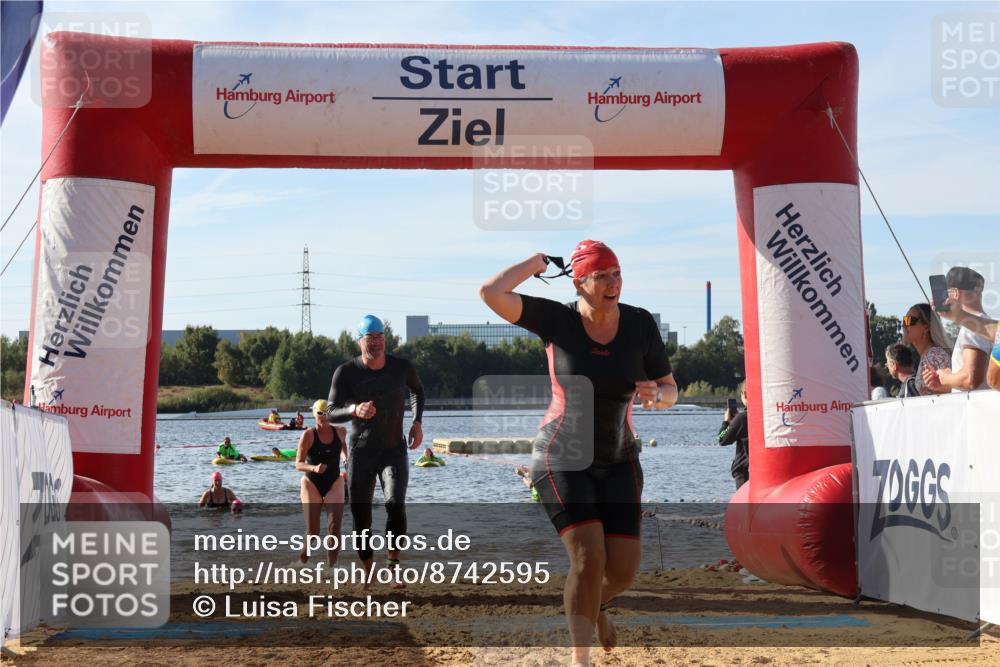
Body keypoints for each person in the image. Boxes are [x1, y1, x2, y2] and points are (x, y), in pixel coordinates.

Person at [480, 241, 677, 664]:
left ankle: (596, 605)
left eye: (617, 274)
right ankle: (580, 659)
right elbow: (491, 293)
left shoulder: (640, 323)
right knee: (588, 559)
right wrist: (536, 263)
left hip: (620, 456)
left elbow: (670, 389)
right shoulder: (558, 320)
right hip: (562, 454)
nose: (613, 283)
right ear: (579, 282)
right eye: (602, 276)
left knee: (622, 571)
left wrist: (657, 396)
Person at [327, 314, 426, 585]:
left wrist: (417, 422)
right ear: (360, 341)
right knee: (361, 516)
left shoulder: (401, 367)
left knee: (395, 505)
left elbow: (417, 390)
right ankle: (369, 570)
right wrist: (354, 409)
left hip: (394, 449)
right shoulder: (346, 372)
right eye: (370, 338)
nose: (377, 343)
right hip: (361, 452)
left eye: (380, 337)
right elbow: (331, 411)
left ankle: (393, 570)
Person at [295, 399, 348, 566]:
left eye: (327, 413)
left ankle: (331, 568)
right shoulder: (308, 435)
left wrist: (346, 459)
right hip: (311, 482)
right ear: (314, 414)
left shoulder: (341, 431)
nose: (324, 417)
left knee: (334, 529)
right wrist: (314, 468)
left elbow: (343, 448)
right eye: (320, 413)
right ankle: (301, 562)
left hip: (334, 481)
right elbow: (298, 464)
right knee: (313, 532)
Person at [923, 267, 992, 392]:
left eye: (946, 293)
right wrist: (943, 384)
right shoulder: (986, 324)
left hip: (976, 405)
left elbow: (971, 379)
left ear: (955, 293)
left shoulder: (972, 328)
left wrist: (944, 376)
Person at [901, 303, 952, 395]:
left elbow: (951, 389)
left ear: (926, 327)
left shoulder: (935, 355)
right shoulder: (930, 355)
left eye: (909, 321)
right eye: (904, 321)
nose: (904, 325)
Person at [718, 382, 749, 489]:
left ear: (745, 394)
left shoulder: (741, 419)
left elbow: (722, 439)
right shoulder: (768, 417)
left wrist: (726, 422)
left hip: (744, 473)